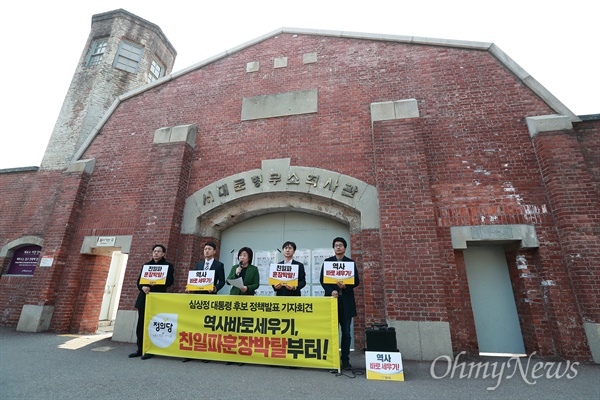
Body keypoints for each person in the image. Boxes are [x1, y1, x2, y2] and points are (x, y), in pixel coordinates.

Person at [320, 237, 360, 371]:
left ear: (345, 248)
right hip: (332, 302)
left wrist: (345, 287)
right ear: (334, 248)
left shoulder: (350, 263)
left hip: (346, 302)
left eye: (340, 245)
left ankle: (345, 360)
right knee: (332, 332)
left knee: (346, 332)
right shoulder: (327, 262)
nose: (338, 247)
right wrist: (331, 291)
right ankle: (332, 360)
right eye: (336, 245)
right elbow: (323, 280)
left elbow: (356, 281)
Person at [129, 244, 174, 360]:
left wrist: (158, 283)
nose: (156, 253)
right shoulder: (146, 265)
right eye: (154, 251)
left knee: (154, 325)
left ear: (163, 254)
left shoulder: (168, 266)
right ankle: (140, 348)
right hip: (144, 297)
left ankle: (151, 349)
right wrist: (143, 287)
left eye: (159, 251)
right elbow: (139, 282)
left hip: (157, 299)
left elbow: (169, 282)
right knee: (141, 324)